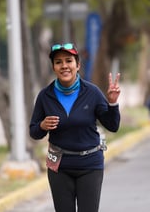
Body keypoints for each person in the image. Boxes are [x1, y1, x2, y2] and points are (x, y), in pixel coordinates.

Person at [29, 43, 121, 212]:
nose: (64, 66)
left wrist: (113, 103)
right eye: (58, 62)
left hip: (90, 165)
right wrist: (42, 125)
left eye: (69, 61)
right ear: (53, 67)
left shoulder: (92, 92)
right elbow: (34, 131)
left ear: (77, 65)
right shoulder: (45, 96)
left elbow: (112, 125)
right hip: (60, 167)